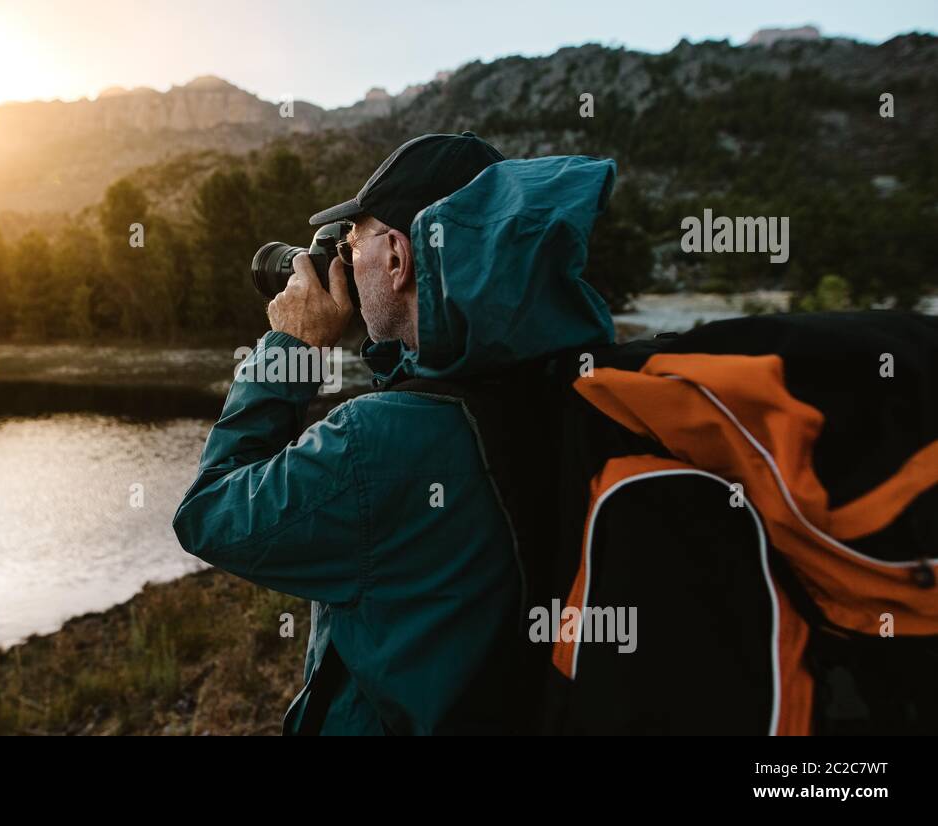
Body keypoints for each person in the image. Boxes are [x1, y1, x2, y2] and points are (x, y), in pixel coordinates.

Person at [172, 133, 618, 734]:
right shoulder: (570, 385)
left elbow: (208, 512)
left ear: (399, 259)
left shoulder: (375, 442)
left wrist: (292, 350)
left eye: (354, 241)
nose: (345, 261)